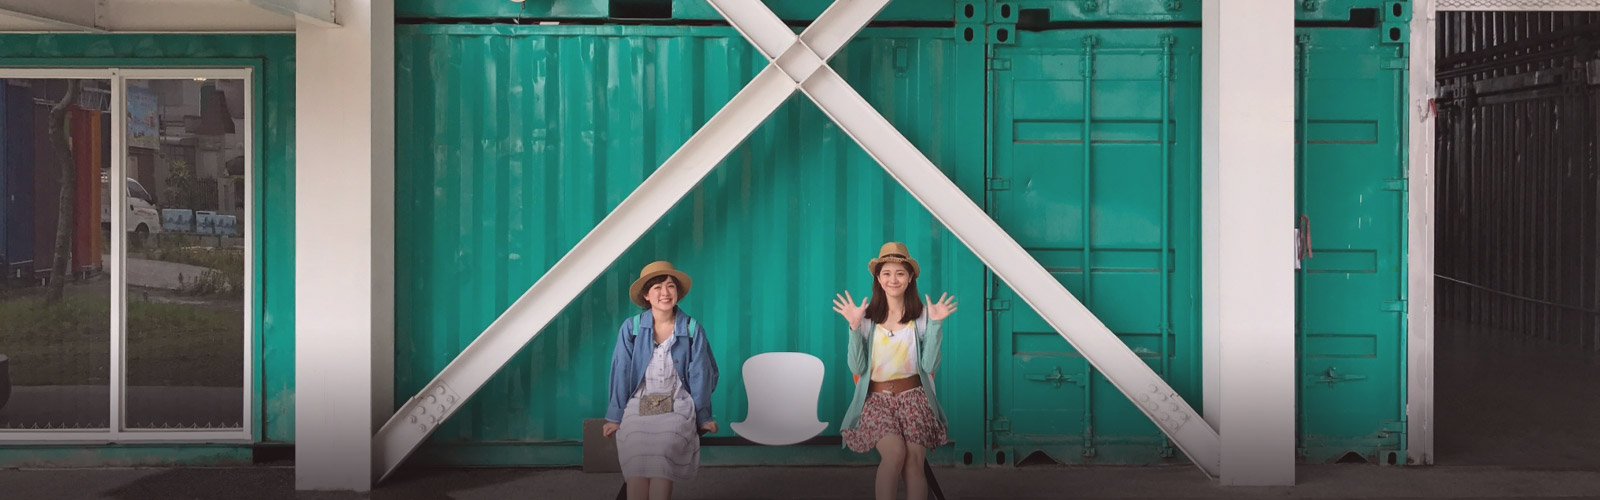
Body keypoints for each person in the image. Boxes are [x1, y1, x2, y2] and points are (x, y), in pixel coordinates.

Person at [833, 242, 959, 500]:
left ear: (910, 278)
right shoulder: (866, 318)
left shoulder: (922, 316)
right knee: (894, 454)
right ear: (878, 279)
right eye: (887, 273)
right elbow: (857, 367)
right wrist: (854, 328)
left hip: (915, 398)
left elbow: (929, 366)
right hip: (876, 401)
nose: (893, 279)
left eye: (900, 273)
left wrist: (936, 325)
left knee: (913, 462)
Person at [603, 261, 719, 500]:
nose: (665, 293)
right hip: (640, 401)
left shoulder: (692, 329)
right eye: (657, 287)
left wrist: (703, 416)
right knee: (636, 447)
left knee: (663, 448)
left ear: (677, 292)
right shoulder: (631, 328)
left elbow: (701, 374)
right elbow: (621, 371)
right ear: (646, 295)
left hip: (678, 402)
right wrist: (615, 416)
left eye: (670, 286)